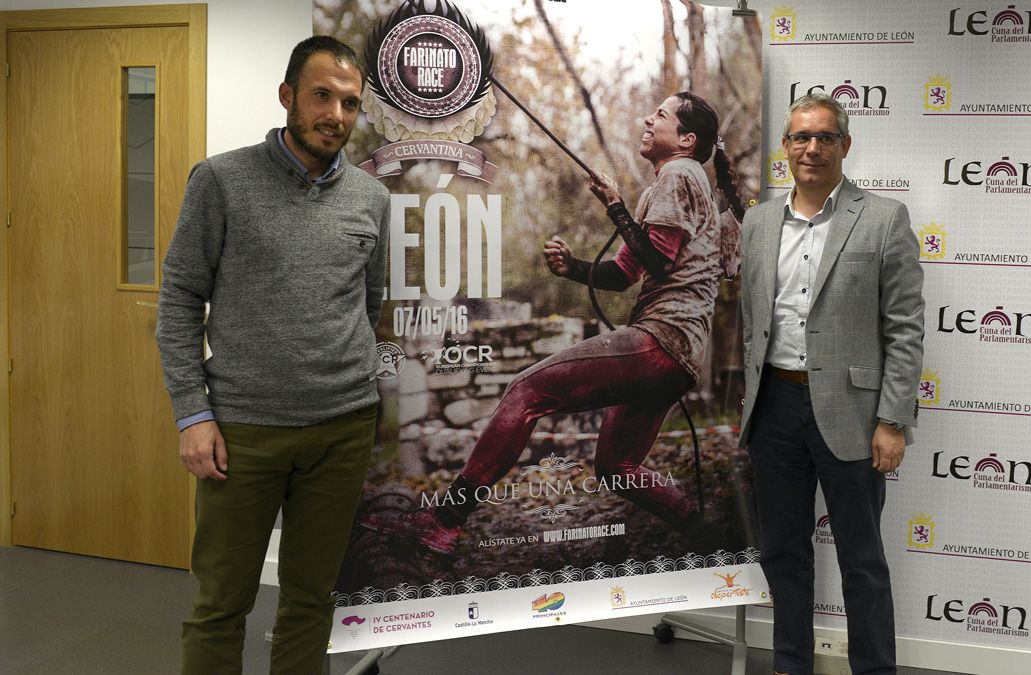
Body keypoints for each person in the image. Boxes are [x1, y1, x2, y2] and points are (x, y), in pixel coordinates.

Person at [366, 92, 742, 554]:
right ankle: (708, 538)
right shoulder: (677, 183)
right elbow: (625, 274)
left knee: (525, 391)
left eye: (660, 115)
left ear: (686, 139)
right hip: (679, 357)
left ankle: (444, 520)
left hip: (661, 340)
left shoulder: (679, 174)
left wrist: (614, 206)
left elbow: (659, 264)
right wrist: (574, 268)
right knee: (616, 465)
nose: (647, 118)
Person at [155, 36, 389, 674]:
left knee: (312, 601)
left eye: (349, 103)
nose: (335, 115)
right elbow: (179, 301)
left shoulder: (372, 198)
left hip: (341, 430)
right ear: (287, 96)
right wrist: (192, 415)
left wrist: (349, 378)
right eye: (321, 96)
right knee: (221, 605)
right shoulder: (221, 180)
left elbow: (368, 304)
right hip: (243, 434)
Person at [738, 93, 924, 675]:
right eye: (800, 137)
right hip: (774, 409)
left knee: (862, 560)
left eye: (823, 137)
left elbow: (905, 329)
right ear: (785, 148)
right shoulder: (759, 220)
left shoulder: (883, 218)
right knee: (784, 554)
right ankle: (791, 665)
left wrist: (893, 421)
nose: (810, 148)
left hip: (853, 414)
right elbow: (750, 321)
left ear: (844, 145)